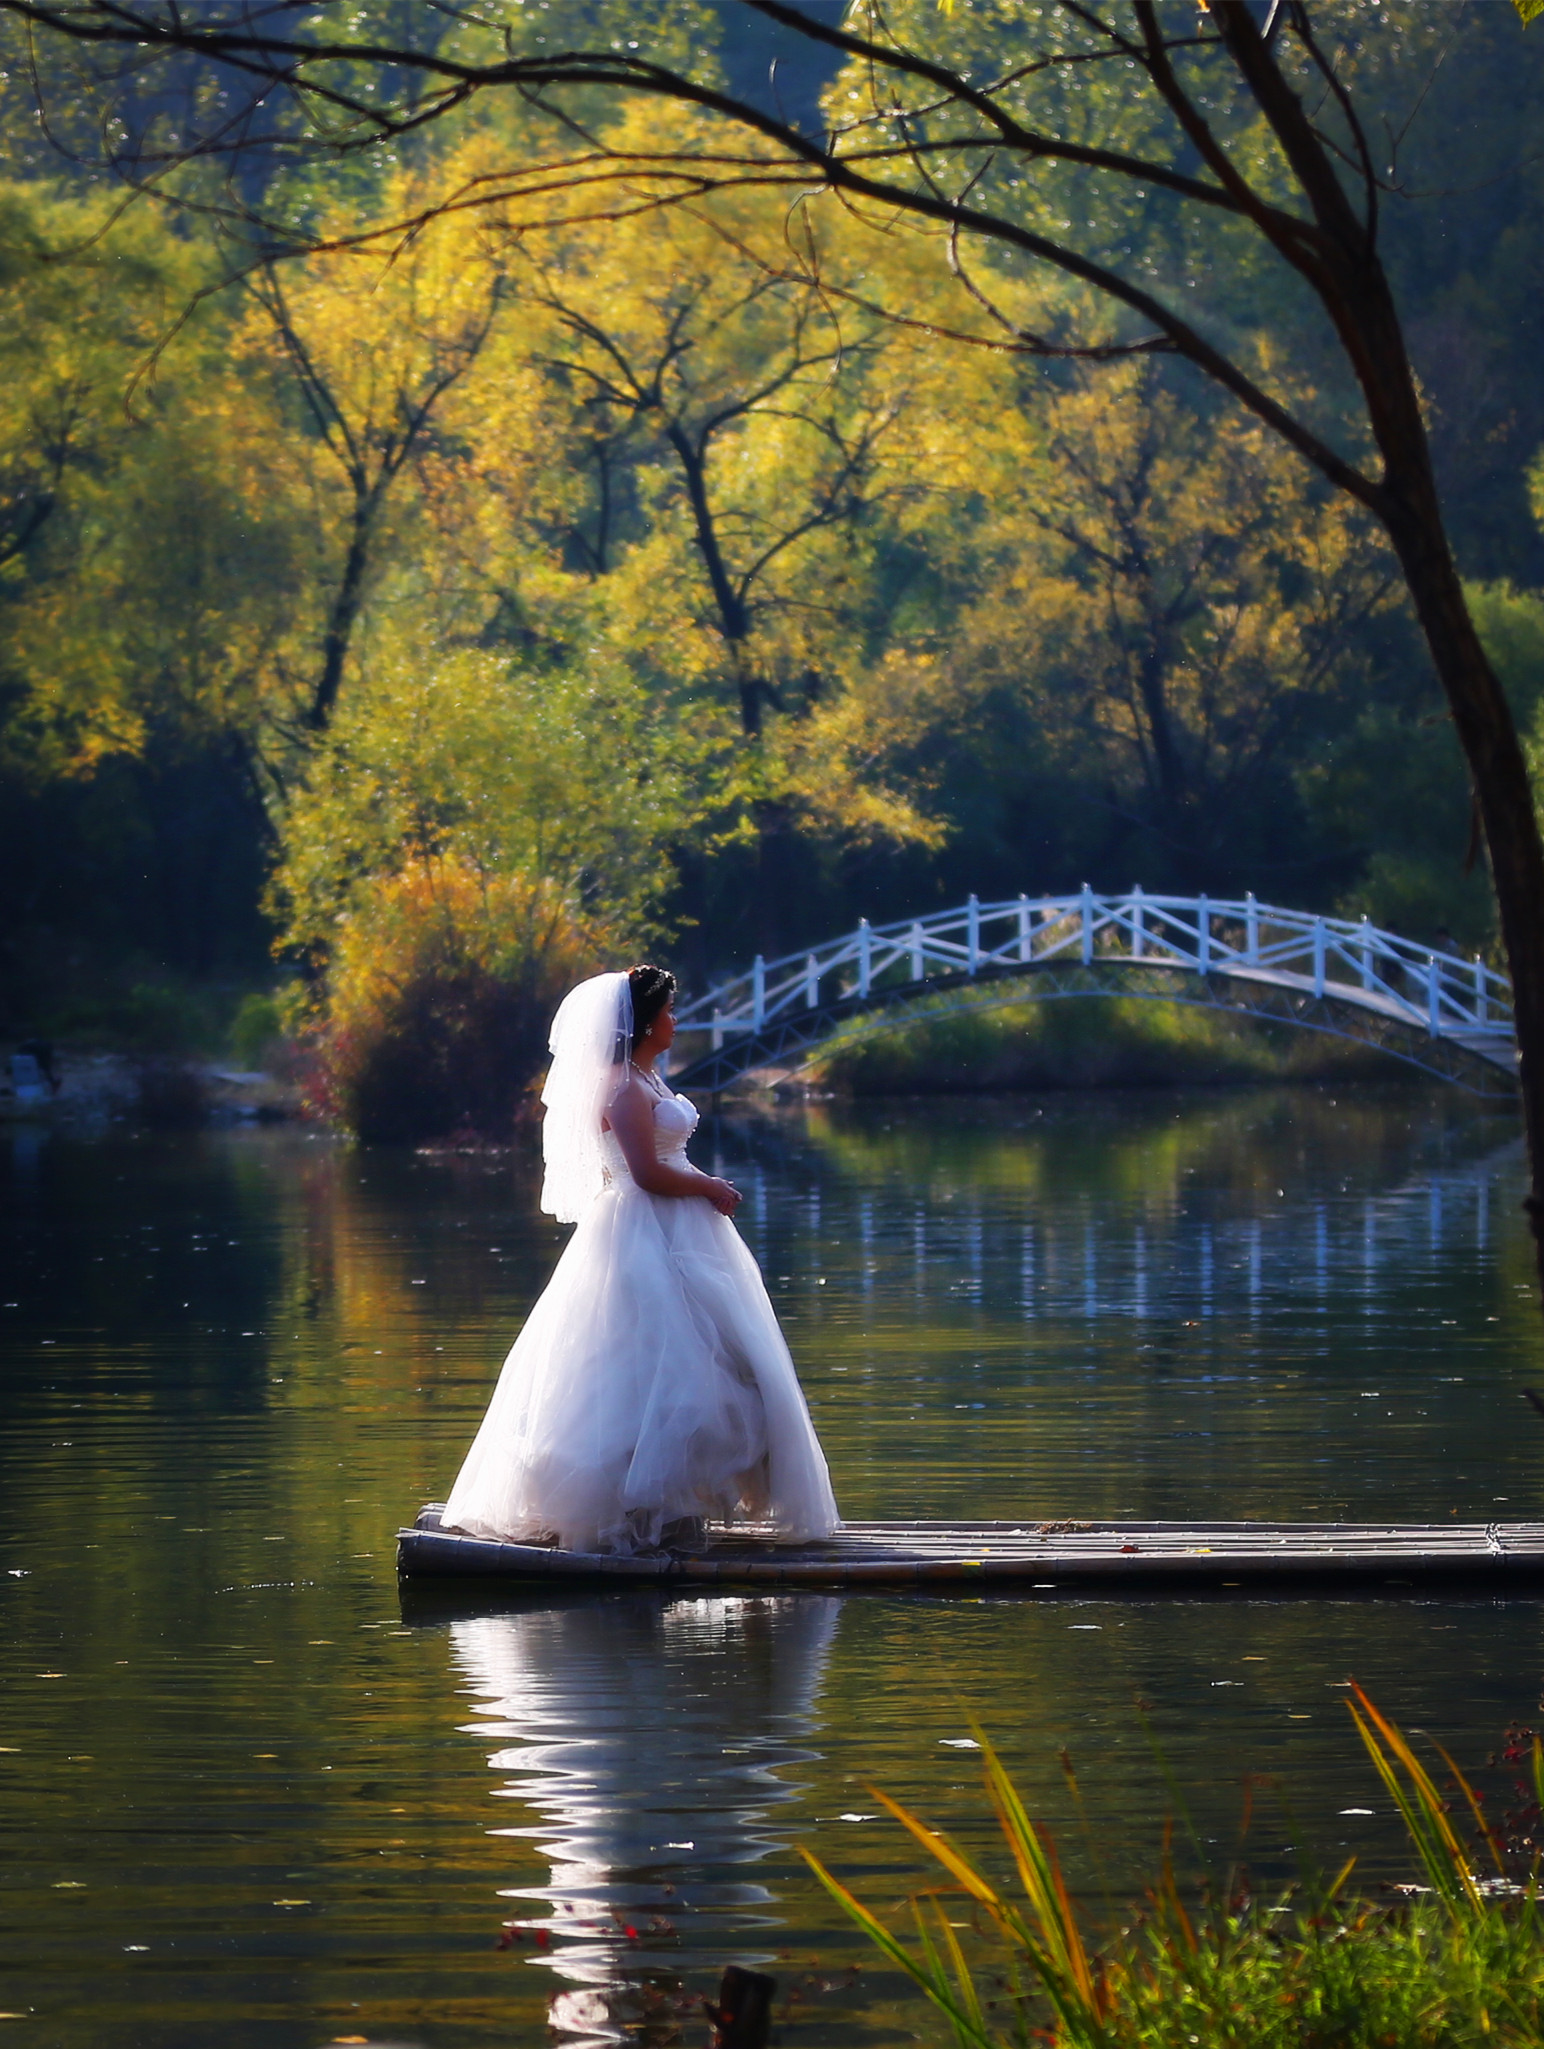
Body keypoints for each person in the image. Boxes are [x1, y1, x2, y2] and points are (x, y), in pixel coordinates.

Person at [441, 965, 840, 1555]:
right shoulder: (623, 1090)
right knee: (644, 1364)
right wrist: (707, 1189)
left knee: (725, 1360)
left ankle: (676, 1505)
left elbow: (668, 1161)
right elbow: (647, 1174)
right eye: (670, 1012)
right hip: (640, 1232)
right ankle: (623, 1506)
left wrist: (707, 1183)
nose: (676, 1022)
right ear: (644, 1021)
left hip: (685, 1231)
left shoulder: (648, 1081)